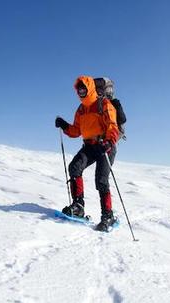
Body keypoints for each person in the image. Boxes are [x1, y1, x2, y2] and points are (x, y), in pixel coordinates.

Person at [55, 75, 120, 231]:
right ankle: (78, 206)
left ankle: (108, 216)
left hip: (105, 146)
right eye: (79, 90)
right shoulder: (81, 109)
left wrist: (109, 142)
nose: (81, 92)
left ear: (90, 88)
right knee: (74, 168)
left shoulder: (104, 104)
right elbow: (76, 131)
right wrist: (64, 125)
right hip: (90, 146)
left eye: (84, 89)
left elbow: (113, 126)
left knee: (101, 180)